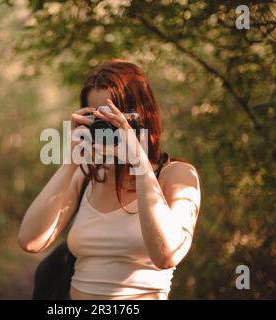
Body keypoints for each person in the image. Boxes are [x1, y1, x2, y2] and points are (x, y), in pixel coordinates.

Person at [18, 59, 201, 300]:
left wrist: (139, 162)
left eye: (114, 118)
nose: (105, 128)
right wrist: (71, 161)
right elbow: (30, 241)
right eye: (97, 118)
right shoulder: (86, 175)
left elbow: (167, 256)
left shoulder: (176, 175)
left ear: (142, 117)